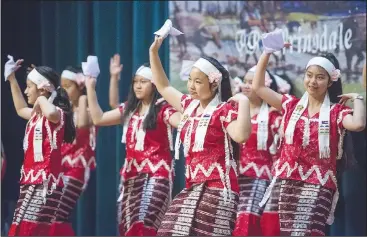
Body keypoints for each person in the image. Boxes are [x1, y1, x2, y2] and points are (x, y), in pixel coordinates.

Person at [252, 30, 366, 236]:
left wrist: (358, 99)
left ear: (330, 82)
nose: (313, 81)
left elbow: (358, 124)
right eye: (309, 75)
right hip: (288, 183)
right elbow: (258, 87)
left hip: (319, 184)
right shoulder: (290, 105)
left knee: (303, 232)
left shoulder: (336, 112)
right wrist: (267, 52)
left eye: (320, 77)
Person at [149, 35, 252, 236]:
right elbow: (163, 87)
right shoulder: (189, 106)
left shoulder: (222, 111)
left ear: (213, 84)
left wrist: (245, 103)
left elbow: (241, 136)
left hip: (219, 189)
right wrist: (153, 52)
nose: (191, 86)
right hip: (194, 186)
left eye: (198, 81)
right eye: (190, 80)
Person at [85, 55, 180, 236]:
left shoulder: (163, 110)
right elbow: (99, 118)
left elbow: (183, 121)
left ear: (154, 84)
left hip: (157, 175)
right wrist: (90, 88)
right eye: (135, 81)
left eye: (143, 82)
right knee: (128, 227)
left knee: (144, 223)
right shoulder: (130, 109)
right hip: (131, 176)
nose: (137, 85)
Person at [4, 56, 75, 236]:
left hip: (45, 183)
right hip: (30, 180)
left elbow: (50, 111)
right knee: (22, 229)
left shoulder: (57, 113)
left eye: (29, 86)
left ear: (42, 88)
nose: (26, 91)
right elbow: (20, 109)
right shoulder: (36, 116)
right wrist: (11, 79)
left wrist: (42, 99)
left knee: (31, 230)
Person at [233, 66, 282, 236]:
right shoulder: (233, 112)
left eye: (251, 82)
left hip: (259, 178)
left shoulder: (273, 116)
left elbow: (282, 150)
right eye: (245, 81)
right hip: (233, 179)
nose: (246, 85)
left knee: (246, 223)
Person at [49, 66, 97, 235]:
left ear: (80, 87)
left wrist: (83, 98)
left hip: (77, 168)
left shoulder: (90, 110)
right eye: (61, 86)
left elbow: (82, 125)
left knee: (56, 214)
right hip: (59, 169)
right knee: (53, 216)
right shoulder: (62, 112)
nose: (64, 90)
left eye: (68, 86)